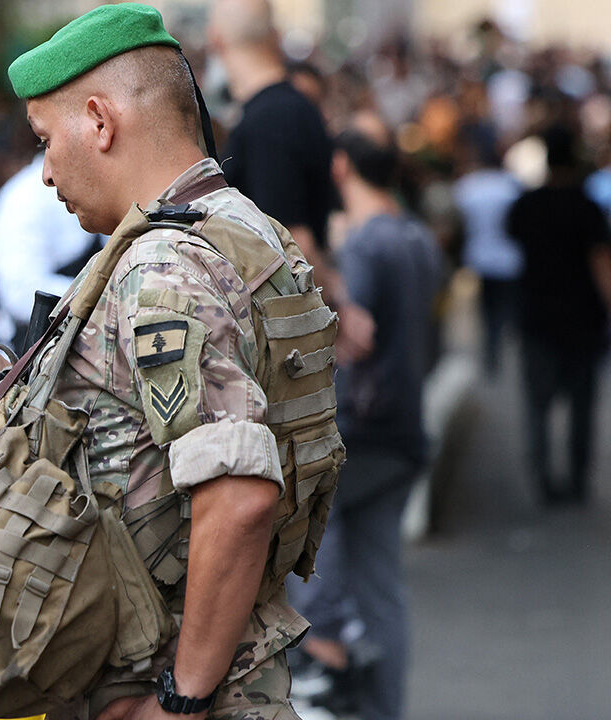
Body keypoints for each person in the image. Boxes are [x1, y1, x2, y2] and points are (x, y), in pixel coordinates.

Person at [0, 5, 342, 719]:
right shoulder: (242, 230)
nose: (46, 172)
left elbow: (237, 497)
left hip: (163, 674)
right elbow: (119, 436)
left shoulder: (163, 269)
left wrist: (181, 700)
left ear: (101, 122)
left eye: (47, 141)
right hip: (233, 654)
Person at [289, 112, 442, 720]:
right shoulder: (415, 237)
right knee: (383, 590)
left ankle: (327, 666)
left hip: (358, 430)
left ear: (341, 166)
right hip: (404, 431)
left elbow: (348, 333)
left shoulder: (365, 247)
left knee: (306, 548)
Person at [207, 0, 376, 365]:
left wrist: (340, 311)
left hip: (286, 348)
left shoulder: (269, 120)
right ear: (275, 37)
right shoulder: (294, 108)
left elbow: (293, 238)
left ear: (216, 40)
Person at [506, 124, 611, 505]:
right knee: (583, 407)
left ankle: (542, 481)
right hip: (584, 321)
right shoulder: (588, 206)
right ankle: (578, 480)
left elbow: (514, 242)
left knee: (538, 407)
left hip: (537, 318)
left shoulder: (526, 204)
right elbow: (601, 263)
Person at [0, 153, 104, 350]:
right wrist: (101, 298)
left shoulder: (95, 183)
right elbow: (18, 292)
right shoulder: (23, 196)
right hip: (39, 347)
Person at [452, 128, 524, 375]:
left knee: (488, 309)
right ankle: (504, 349)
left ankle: (492, 352)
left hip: (479, 258)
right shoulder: (512, 185)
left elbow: (457, 224)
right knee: (507, 308)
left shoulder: (468, 186)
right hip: (510, 259)